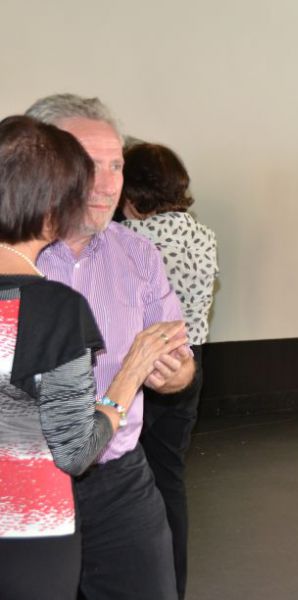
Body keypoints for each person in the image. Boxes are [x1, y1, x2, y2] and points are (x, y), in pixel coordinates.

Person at [0, 115, 186, 599]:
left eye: (117, 165)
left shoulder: (139, 255)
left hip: (116, 477)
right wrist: (129, 374)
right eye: (85, 167)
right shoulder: (49, 302)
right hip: (33, 491)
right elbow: (75, 448)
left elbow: (179, 361)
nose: (104, 184)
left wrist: (173, 371)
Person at [120, 142, 218, 600]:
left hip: (137, 370)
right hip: (189, 363)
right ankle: (170, 586)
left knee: (120, 483)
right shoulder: (202, 234)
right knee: (169, 479)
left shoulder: (130, 242)